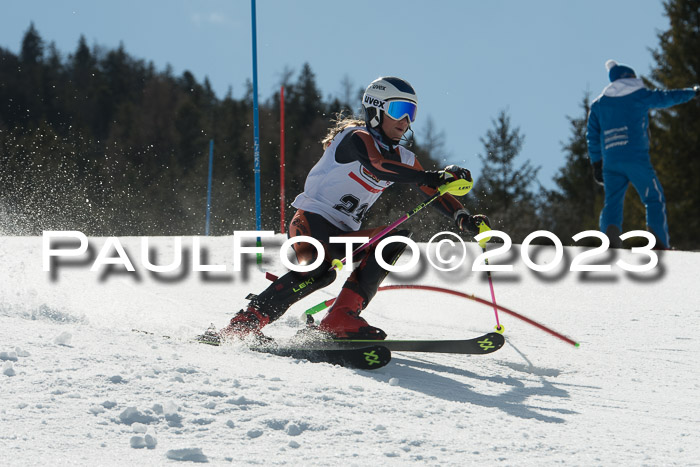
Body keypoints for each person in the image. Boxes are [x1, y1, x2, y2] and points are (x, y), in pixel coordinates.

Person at [217, 76, 489, 342]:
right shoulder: (355, 137)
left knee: (391, 240)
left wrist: (462, 217)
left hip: (344, 234)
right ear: (375, 110)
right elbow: (376, 165)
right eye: (398, 110)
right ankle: (247, 322)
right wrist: (432, 176)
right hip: (312, 223)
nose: (405, 121)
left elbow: (433, 191)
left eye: (411, 113)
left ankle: (341, 316)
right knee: (318, 273)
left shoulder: (404, 158)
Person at [586, 59, 699, 249]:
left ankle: (610, 242)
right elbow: (666, 97)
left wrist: (597, 163)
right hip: (635, 159)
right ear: (629, 77)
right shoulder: (639, 95)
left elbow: (592, 135)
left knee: (612, 203)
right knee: (654, 198)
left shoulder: (599, 105)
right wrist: (692, 92)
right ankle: (659, 243)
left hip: (611, 162)